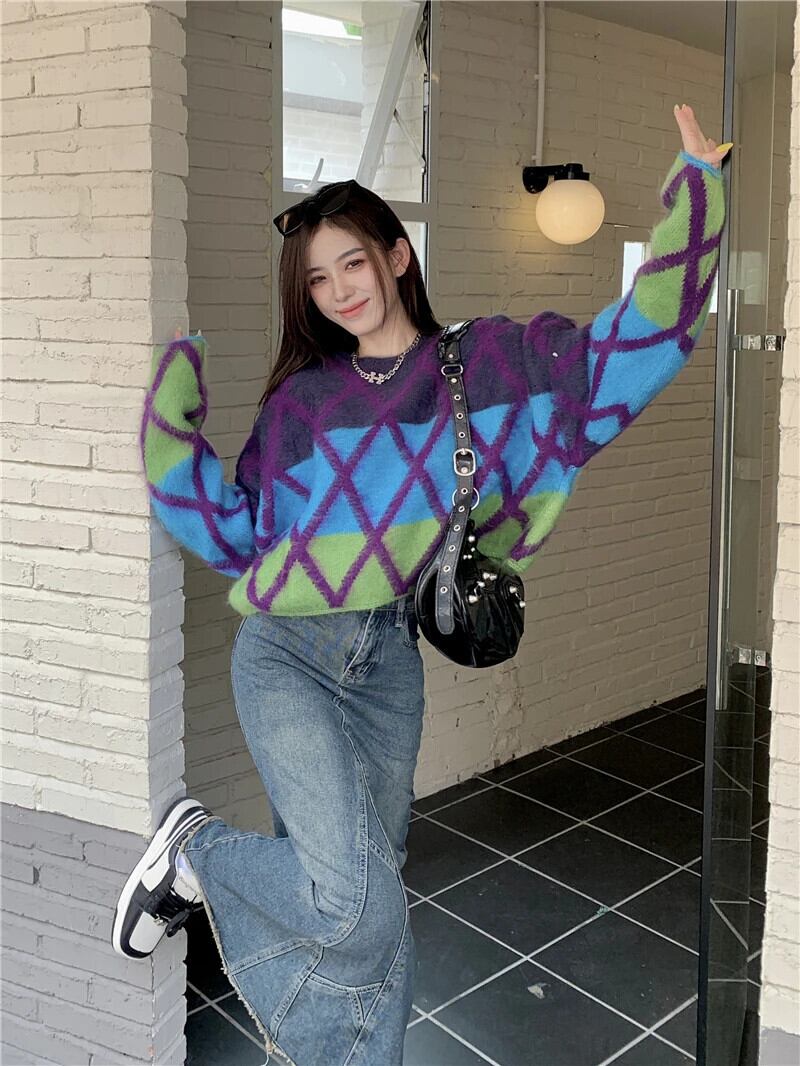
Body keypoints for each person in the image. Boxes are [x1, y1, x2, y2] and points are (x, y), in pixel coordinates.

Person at [112, 104, 730, 1066]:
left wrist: (699, 193)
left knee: (370, 913)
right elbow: (237, 535)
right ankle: (194, 854)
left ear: (398, 255)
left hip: (386, 669)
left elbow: (633, 345)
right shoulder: (302, 403)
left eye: (352, 263)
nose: (337, 291)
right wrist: (170, 423)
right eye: (317, 279)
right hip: (286, 655)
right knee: (354, 905)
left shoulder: (488, 366)